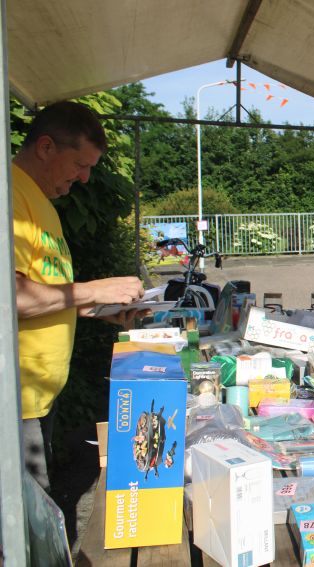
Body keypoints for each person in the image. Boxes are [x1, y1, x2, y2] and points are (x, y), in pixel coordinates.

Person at [13, 101, 145, 490]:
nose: (85, 178)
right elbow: (10, 297)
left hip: (36, 400)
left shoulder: (40, 201)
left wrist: (96, 307)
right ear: (46, 147)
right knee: (28, 517)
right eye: (79, 164)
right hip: (14, 404)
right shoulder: (11, 196)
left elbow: (45, 293)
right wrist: (92, 290)